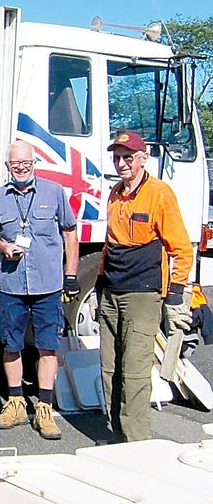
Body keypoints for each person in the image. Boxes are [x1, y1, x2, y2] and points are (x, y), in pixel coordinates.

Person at [0, 140, 79, 440]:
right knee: (12, 345)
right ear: (8, 165)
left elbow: (70, 233)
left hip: (48, 283)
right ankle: (16, 402)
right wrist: (3, 246)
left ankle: (44, 408)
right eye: (14, 163)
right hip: (11, 284)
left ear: (34, 163)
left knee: (48, 345)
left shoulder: (54, 192)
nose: (20, 167)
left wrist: (70, 274)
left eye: (26, 162)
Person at [99, 131, 192, 442]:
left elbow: (181, 249)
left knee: (135, 373)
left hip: (142, 294)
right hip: (111, 293)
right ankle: (116, 438)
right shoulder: (115, 193)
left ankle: (137, 444)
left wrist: (176, 294)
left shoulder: (159, 193)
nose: (121, 163)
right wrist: (100, 282)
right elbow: (111, 244)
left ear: (143, 158)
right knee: (110, 371)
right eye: (117, 158)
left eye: (128, 157)